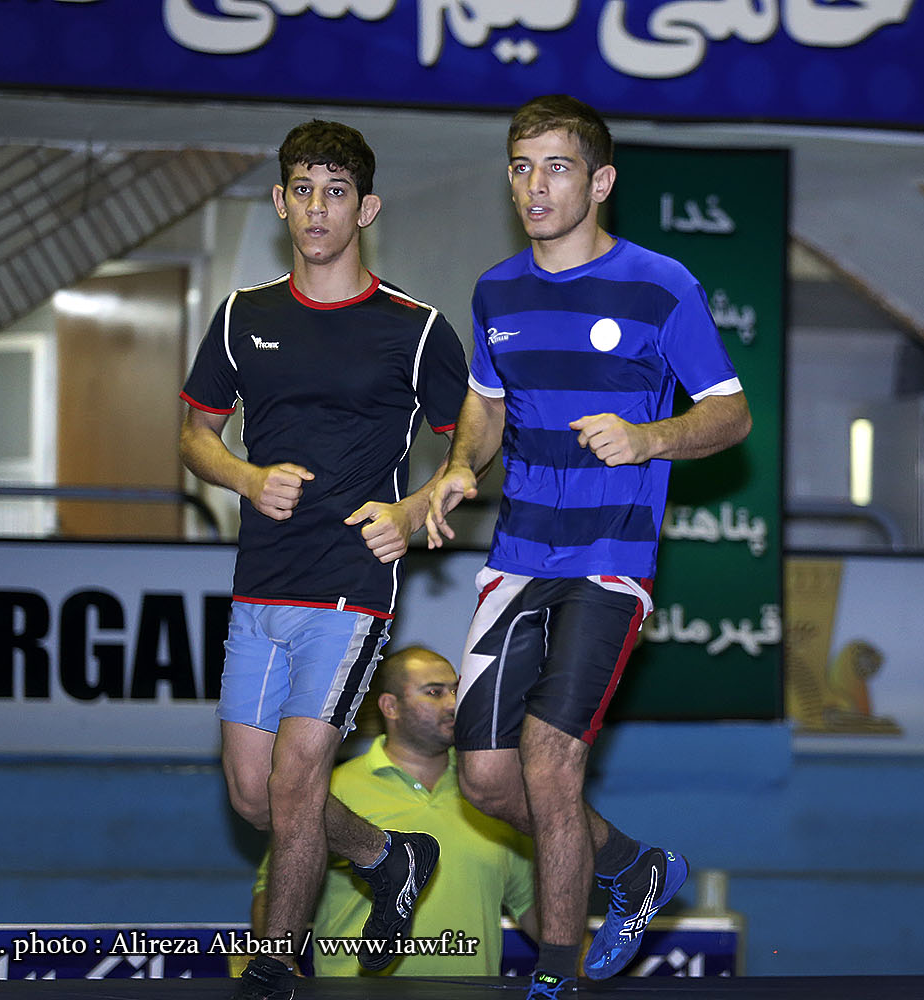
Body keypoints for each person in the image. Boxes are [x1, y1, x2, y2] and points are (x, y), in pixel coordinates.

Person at [424, 94, 751, 999]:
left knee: (550, 761)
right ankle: (635, 865)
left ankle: (554, 979)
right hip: (517, 555)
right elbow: (486, 403)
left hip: (610, 561)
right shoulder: (496, 291)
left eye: (557, 168)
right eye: (521, 167)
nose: (535, 186)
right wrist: (460, 468)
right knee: (486, 779)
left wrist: (649, 438)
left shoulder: (661, 284)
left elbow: (730, 414)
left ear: (601, 181)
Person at [178, 119, 469, 1000]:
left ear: (365, 209)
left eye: (336, 192)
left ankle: (275, 965)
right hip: (260, 582)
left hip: (351, 586)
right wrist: (244, 476)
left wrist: (415, 509)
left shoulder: (415, 329)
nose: (317, 207)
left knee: (298, 776)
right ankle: (387, 857)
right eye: (303, 190)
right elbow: (195, 435)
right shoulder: (244, 316)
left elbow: (475, 445)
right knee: (254, 795)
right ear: (279, 201)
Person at [251, 646, 537, 977]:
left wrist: (579, 963)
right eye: (434, 692)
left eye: (456, 691)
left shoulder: (492, 794)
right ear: (390, 706)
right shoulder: (332, 791)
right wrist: (281, 969)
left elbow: (530, 906)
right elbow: (272, 891)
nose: (453, 704)